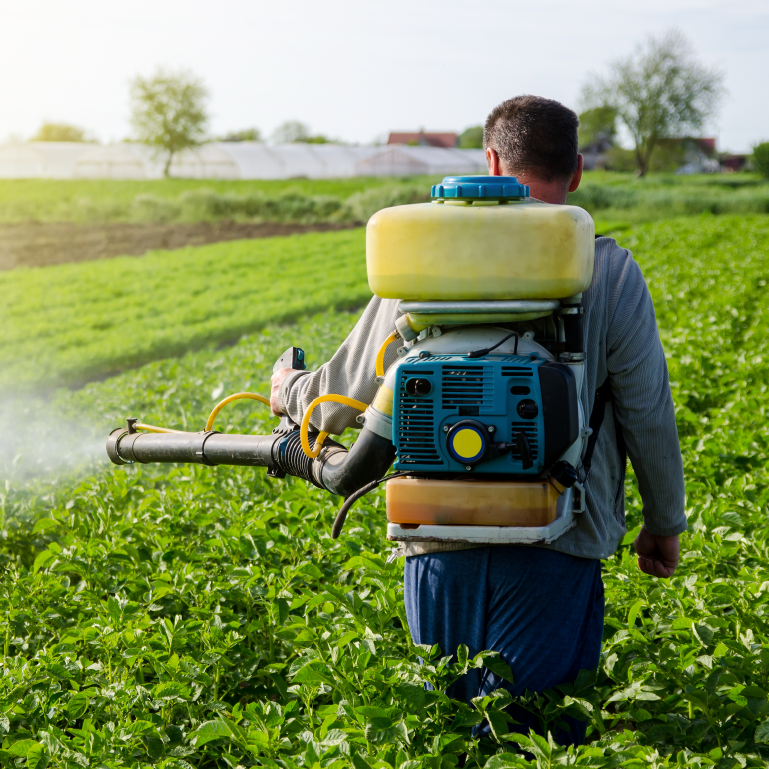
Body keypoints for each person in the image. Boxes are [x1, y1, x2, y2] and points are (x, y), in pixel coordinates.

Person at [270, 95, 686, 745]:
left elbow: (341, 400)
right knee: (535, 739)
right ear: (575, 171)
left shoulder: (425, 253)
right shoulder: (608, 270)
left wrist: (289, 388)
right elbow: (647, 413)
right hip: (557, 539)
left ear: (490, 161)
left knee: (446, 732)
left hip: (436, 534)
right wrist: (663, 522)